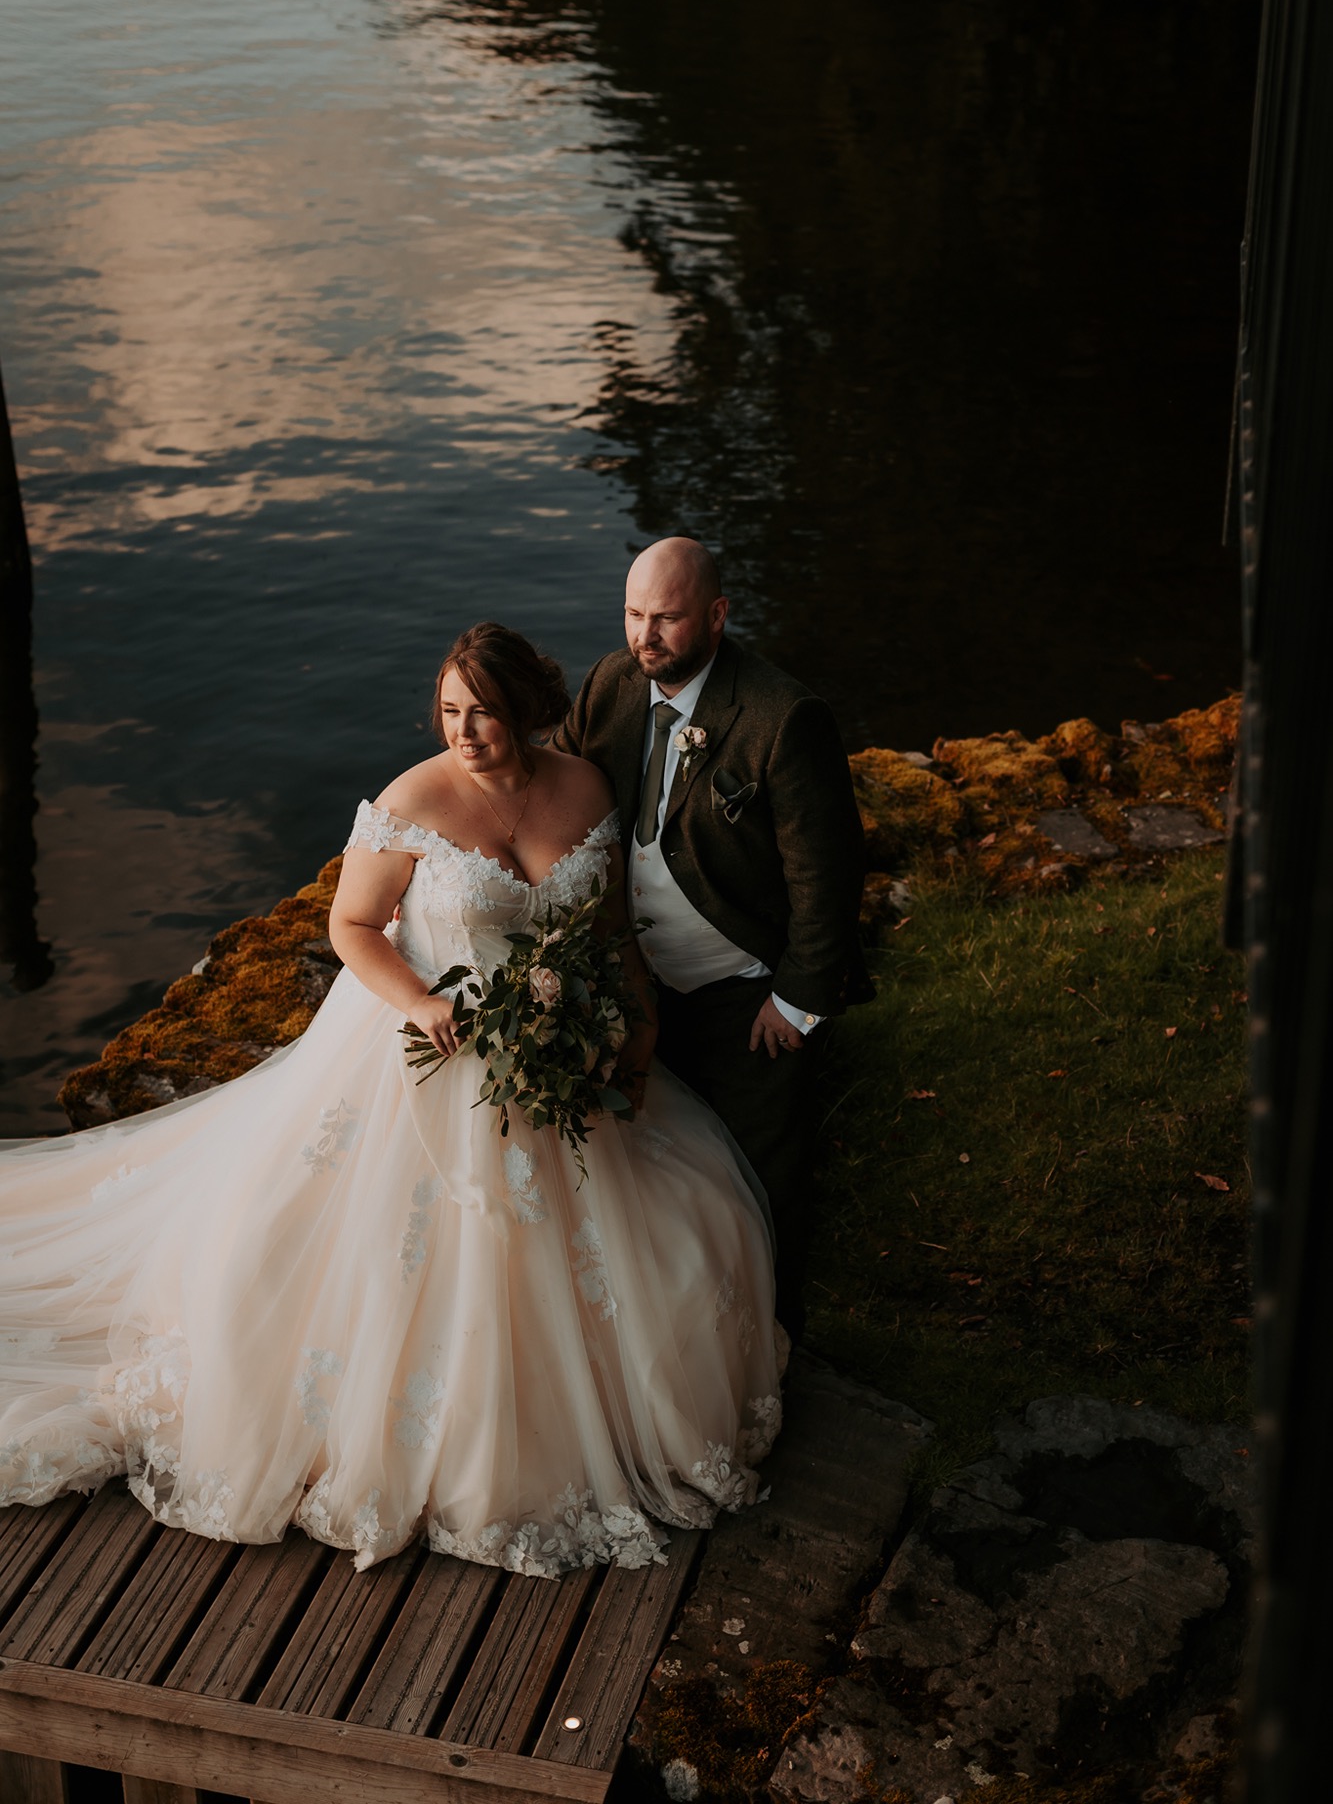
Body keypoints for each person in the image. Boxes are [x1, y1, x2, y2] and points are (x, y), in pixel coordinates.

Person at [0, 624, 781, 1576]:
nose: (465, 731)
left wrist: (635, 1028)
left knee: (673, 1238)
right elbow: (353, 923)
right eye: (451, 711)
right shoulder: (411, 804)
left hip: (555, 1049)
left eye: (484, 713)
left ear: (530, 711)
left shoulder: (582, 788)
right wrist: (420, 1002)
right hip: (430, 1049)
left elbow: (608, 927)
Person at [554, 540, 872, 1343]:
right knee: (646, 1172)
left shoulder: (781, 718)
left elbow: (827, 876)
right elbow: (552, 788)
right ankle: (669, 1342)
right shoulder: (608, 687)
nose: (644, 635)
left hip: (743, 993)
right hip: (634, 984)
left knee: (764, 1184)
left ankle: (771, 1346)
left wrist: (796, 1001)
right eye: (632, 613)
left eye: (665, 616)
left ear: (717, 616)